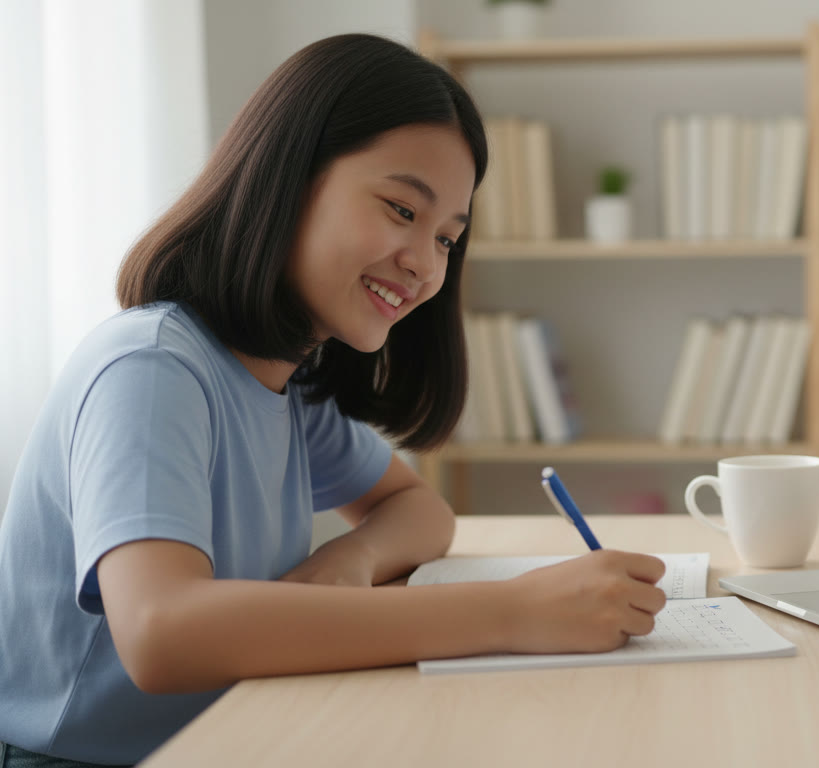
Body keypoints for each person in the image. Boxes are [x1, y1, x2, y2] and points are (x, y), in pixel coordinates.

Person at [0, 33, 666, 767]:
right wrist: (512, 612)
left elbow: (419, 510)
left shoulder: (290, 381)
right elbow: (162, 630)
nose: (424, 265)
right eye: (401, 211)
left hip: (237, 733)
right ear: (289, 177)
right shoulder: (150, 368)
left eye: (448, 238)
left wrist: (355, 558)